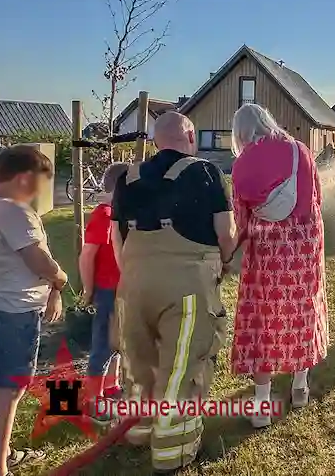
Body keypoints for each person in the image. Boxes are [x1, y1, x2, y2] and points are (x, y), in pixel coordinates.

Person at [111, 111, 236, 472]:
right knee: (182, 366)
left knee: (137, 362)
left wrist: (134, 275)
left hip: (131, 286)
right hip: (185, 286)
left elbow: (117, 238)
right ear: (191, 138)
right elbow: (226, 232)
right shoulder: (205, 172)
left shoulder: (128, 177)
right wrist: (224, 262)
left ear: (155, 141)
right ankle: (172, 452)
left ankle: (138, 431)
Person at [229, 103, 329, 428]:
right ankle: (300, 387)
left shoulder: (243, 162)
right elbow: (317, 199)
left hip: (268, 254)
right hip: (304, 248)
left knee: (263, 323)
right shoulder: (302, 151)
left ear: (241, 132)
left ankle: (261, 407)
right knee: (301, 312)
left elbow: (241, 220)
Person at [0, 145, 65, 476]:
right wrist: (61, 277)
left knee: (6, 387)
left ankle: (1, 456)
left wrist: (52, 291)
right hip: (14, 314)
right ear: (24, 178)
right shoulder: (15, 212)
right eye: (41, 180)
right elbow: (38, 260)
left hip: (1, 308)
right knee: (8, 390)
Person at [80, 162, 129, 421]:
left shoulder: (122, 214)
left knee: (116, 341)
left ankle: (111, 387)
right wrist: (88, 288)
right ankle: (93, 399)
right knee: (102, 345)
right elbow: (87, 254)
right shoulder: (104, 213)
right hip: (108, 289)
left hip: (124, 289)